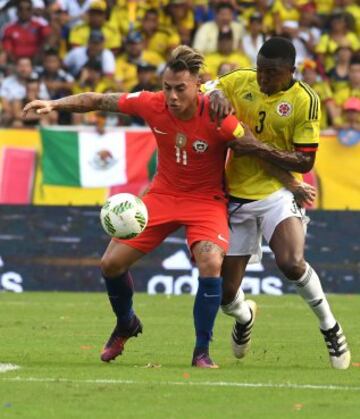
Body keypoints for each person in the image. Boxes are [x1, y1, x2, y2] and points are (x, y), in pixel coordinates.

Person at [23, 45, 313, 369]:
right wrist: (53, 103)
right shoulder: (152, 103)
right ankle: (126, 323)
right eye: (167, 88)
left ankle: (201, 352)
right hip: (162, 195)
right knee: (110, 265)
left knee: (211, 263)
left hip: (206, 201)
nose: (172, 96)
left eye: (180, 89)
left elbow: (254, 151)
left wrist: (293, 184)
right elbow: (97, 99)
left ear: (197, 85)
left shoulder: (220, 118)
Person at [205, 36, 351, 369]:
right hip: (236, 196)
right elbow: (206, 87)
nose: (262, 78)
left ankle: (330, 327)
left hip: (277, 193)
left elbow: (304, 162)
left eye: (271, 73)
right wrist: (214, 93)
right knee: (226, 295)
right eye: (260, 69)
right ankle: (245, 317)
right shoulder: (241, 80)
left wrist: (255, 147)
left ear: (290, 71)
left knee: (291, 262)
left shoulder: (305, 101)